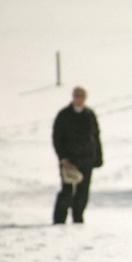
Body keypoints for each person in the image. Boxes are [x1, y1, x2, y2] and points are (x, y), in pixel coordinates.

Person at [52, 87, 103, 224]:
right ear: (73, 97)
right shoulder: (64, 115)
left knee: (83, 193)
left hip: (86, 159)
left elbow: (96, 136)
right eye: (77, 96)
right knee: (66, 192)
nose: (79, 99)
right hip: (69, 160)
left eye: (82, 96)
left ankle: (78, 219)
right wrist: (63, 158)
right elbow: (57, 138)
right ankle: (59, 220)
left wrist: (98, 157)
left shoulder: (89, 115)